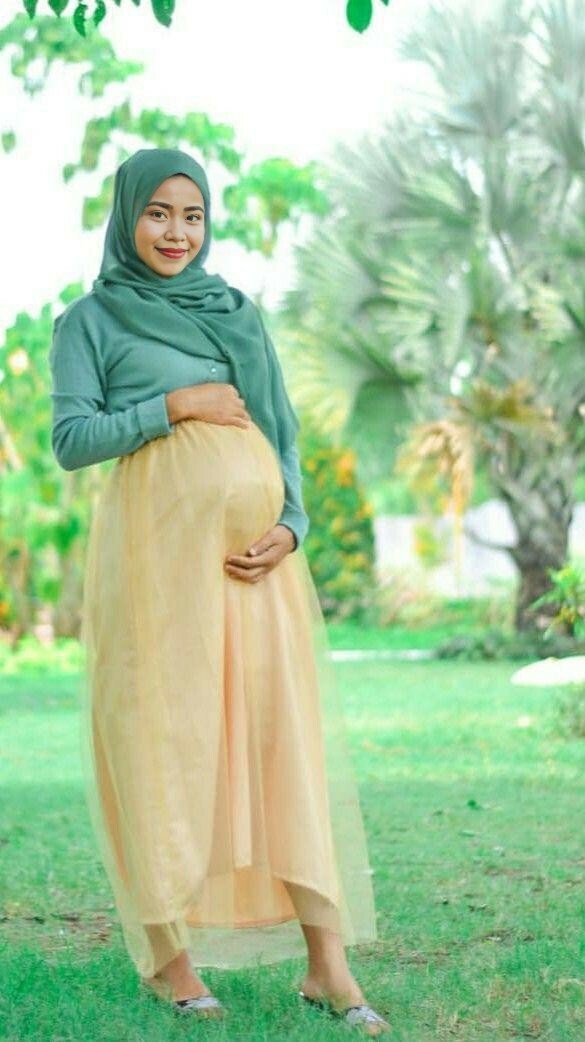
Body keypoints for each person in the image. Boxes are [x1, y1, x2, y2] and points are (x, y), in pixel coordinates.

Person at [49, 147, 391, 1036]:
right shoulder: (89, 321)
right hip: (155, 573)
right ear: (127, 216)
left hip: (256, 568)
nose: (177, 232)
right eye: (158, 213)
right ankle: (170, 962)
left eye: (192, 215)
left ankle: (327, 967)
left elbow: (280, 431)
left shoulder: (236, 312)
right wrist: (175, 407)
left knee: (281, 740)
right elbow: (73, 439)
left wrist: (293, 525)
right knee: (163, 742)